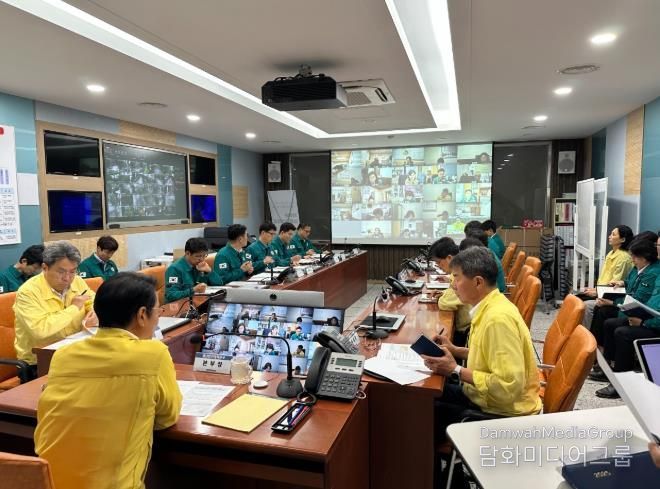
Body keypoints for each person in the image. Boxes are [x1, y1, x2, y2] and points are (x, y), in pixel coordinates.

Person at [34, 272, 181, 489]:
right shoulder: (153, 354)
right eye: (157, 311)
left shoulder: (64, 354)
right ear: (142, 315)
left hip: (49, 483)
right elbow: (166, 418)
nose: (157, 318)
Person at [422, 247, 540, 445]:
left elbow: (507, 385)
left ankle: (439, 465)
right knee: (427, 392)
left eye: (456, 278)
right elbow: (489, 355)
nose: (453, 286)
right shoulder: (491, 305)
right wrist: (455, 350)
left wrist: (456, 369)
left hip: (501, 413)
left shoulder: (497, 320)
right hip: (484, 396)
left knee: (419, 411)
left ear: (478, 282)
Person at [588, 238, 660, 398]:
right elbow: (650, 301)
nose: (657, 249)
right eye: (657, 245)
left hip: (653, 323)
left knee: (623, 333)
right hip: (649, 317)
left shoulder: (654, 272)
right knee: (610, 323)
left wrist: (643, 322)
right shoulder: (646, 269)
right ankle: (608, 368)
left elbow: (644, 299)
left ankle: (622, 384)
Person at [13, 241, 95, 374]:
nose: (67, 278)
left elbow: (92, 300)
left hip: (74, 354)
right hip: (40, 362)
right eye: (61, 272)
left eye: (73, 271)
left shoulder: (77, 281)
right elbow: (40, 330)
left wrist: (94, 311)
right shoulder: (27, 293)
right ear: (45, 267)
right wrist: (74, 308)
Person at [578, 225, 634, 329]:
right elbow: (604, 279)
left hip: (610, 296)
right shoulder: (611, 253)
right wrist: (594, 289)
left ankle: (586, 335)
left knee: (586, 306)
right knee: (574, 298)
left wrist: (597, 292)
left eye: (613, 234)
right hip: (601, 292)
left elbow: (614, 285)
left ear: (622, 239)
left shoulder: (624, 258)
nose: (609, 236)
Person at [430, 237, 471, 347]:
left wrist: (442, 298)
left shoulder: (461, 274)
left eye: (439, 262)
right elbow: (452, 293)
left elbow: (445, 304)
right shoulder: (460, 268)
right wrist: (444, 294)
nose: (438, 266)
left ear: (449, 258)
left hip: (466, 332)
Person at [164, 237, 212, 303]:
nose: (202, 259)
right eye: (198, 256)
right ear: (187, 253)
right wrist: (193, 290)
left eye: (204, 256)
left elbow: (219, 283)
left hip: (196, 302)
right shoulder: (174, 269)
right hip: (179, 306)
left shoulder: (200, 265)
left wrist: (210, 271)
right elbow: (171, 295)